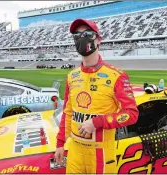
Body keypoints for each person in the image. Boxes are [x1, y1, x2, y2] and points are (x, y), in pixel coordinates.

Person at [54, 19, 139, 174]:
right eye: (77, 35)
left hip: (101, 153)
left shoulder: (117, 76)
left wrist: (97, 122)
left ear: (98, 40)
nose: (82, 38)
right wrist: (60, 143)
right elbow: (68, 113)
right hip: (74, 152)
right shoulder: (72, 76)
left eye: (87, 34)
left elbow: (131, 114)